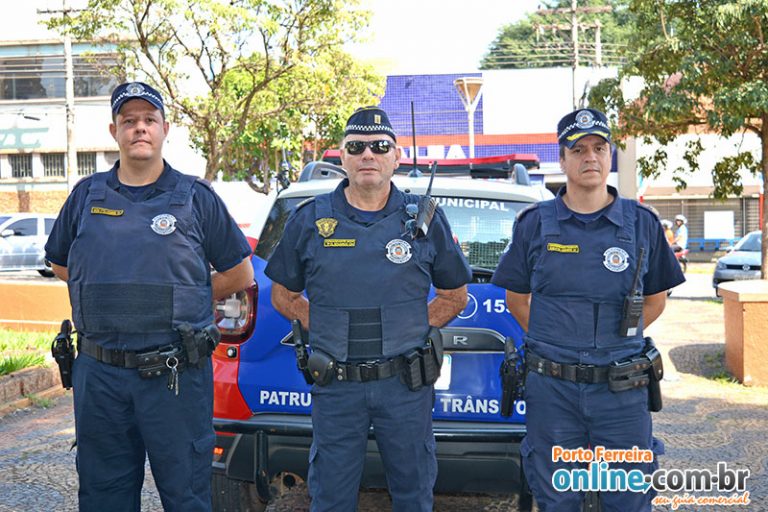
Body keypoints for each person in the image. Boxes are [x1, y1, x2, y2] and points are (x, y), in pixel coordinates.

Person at [44, 81, 254, 512]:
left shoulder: (196, 197)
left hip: (173, 376)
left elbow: (240, 273)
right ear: (114, 131)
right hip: (100, 375)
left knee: (187, 497)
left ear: (164, 129)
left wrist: (186, 298)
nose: (139, 128)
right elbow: (61, 263)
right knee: (103, 498)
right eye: (129, 121)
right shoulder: (86, 195)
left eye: (149, 120)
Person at [265, 106, 471, 512]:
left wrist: (404, 329)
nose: (367, 155)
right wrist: (330, 328)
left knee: (413, 495)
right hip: (337, 385)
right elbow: (283, 296)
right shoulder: (311, 220)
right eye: (356, 146)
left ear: (396, 157)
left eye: (379, 146)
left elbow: (455, 296)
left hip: (405, 384)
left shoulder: (424, 219)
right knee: (330, 498)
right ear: (342, 156)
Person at [491, 108, 685, 511]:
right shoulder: (533, 224)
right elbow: (517, 301)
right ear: (562, 160)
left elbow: (655, 300)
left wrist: (610, 342)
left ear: (610, 156)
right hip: (553, 392)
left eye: (599, 148)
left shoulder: (643, 223)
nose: (590, 157)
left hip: (622, 393)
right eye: (578, 150)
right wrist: (560, 343)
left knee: (628, 500)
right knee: (557, 499)